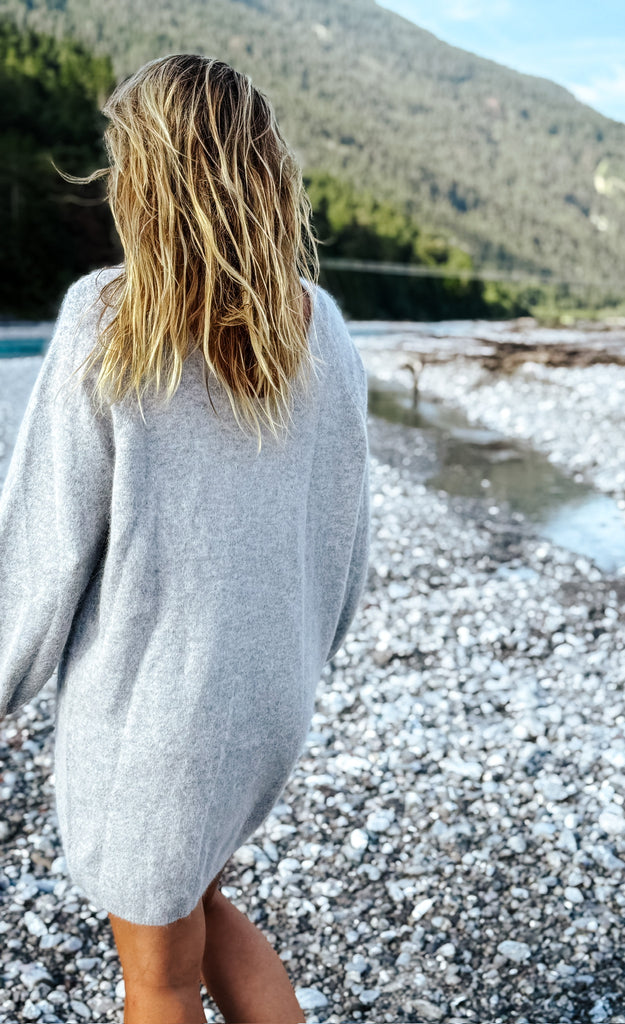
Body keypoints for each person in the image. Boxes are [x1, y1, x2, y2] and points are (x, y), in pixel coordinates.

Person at [0, 53, 371, 1024]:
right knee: (196, 902)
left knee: (157, 975)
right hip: (264, 696)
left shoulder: (108, 320)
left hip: (155, 715)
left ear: (146, 175)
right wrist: (303, 654)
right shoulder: (319, 326)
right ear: (263, 173)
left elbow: (44, 547)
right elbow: (344, 533)